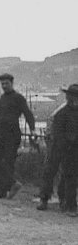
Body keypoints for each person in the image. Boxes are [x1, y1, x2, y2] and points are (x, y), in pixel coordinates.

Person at [0, 73, 36, 199]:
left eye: (7, 83)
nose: (4, 86)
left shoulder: (19, 98)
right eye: (3, 84)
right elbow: (2, 116)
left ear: (12, 83)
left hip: (12, 135)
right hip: (1, 134)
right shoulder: (3, 98)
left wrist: (32, 129)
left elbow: (28, 114)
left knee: (8, 163)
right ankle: (11, 185)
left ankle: (3, 191)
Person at [37, 84, 78, 217]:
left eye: (76, 96)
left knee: (71, 175)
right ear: (67, 96)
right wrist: (65, 144)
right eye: (71, 96)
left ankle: (69, 204)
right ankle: (44, 199)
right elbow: (57, 134)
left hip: (72, 148)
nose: (73, 99)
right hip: (58, 146)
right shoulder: (61, 113)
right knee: (50, 171)